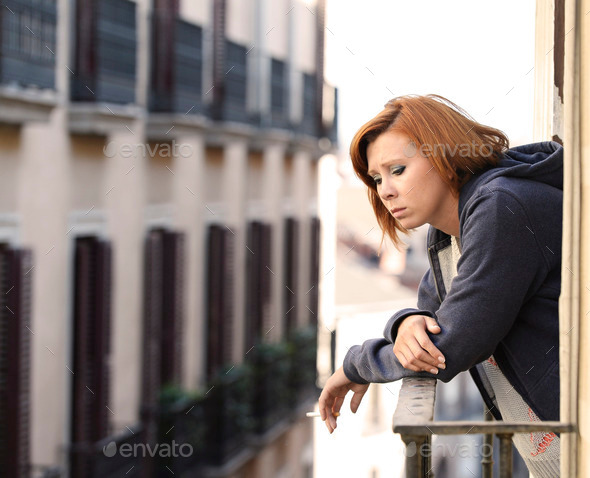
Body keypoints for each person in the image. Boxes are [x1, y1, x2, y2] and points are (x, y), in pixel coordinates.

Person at [318, 94, 562, 477]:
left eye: (398, 169)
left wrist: (356, 364)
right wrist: (404, 323)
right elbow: (430, 318)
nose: (384, 190)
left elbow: (448, 346)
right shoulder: (447, 234)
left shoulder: (501, 207)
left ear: (445, 155)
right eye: (377, 178)